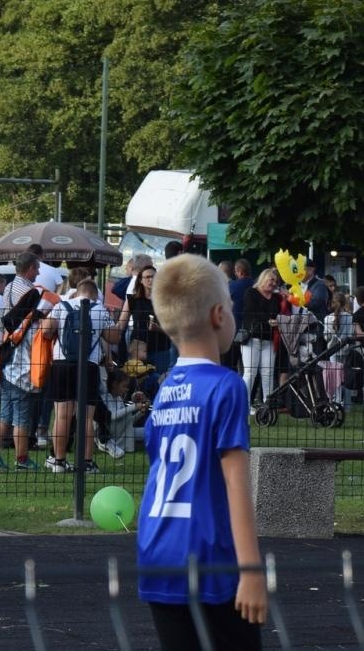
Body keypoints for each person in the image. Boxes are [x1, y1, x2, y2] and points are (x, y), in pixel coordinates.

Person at [137, 253, 266, 650]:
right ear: (218, 315)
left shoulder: (165, 390)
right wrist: (251, 569)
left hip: (157, 549)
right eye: (230, 306)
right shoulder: (227, 386)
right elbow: (236, 483)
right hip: (209, 554)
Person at [42, 279, 121, 471]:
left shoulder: (61, 306)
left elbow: (46, 331)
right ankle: (86, 463)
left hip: (62, 364)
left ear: (77, 292)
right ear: (95, 294)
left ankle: (58, 461)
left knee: (62, 416)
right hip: (89, 365)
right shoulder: (100, 309)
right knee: (86, 418)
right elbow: (114, 338)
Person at [0, 258, 48, 473]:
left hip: (6, 367)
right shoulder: (32, 325)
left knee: (4, 414)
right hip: (21, 373)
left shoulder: (10, 298)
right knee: (21, 418)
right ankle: (22, 459)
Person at [240, 268, 280, 409]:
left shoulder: (276, 297)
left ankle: (267, 406)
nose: (273, 283)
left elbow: (276, 313)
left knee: (268, 373)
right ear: (263, 278)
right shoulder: (251, 292)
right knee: (250, 373)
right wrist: (268, 320)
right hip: (252, 338)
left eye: (275, 281)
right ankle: (244, 405)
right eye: (271, 279)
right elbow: (250, 312)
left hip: (269, 339)